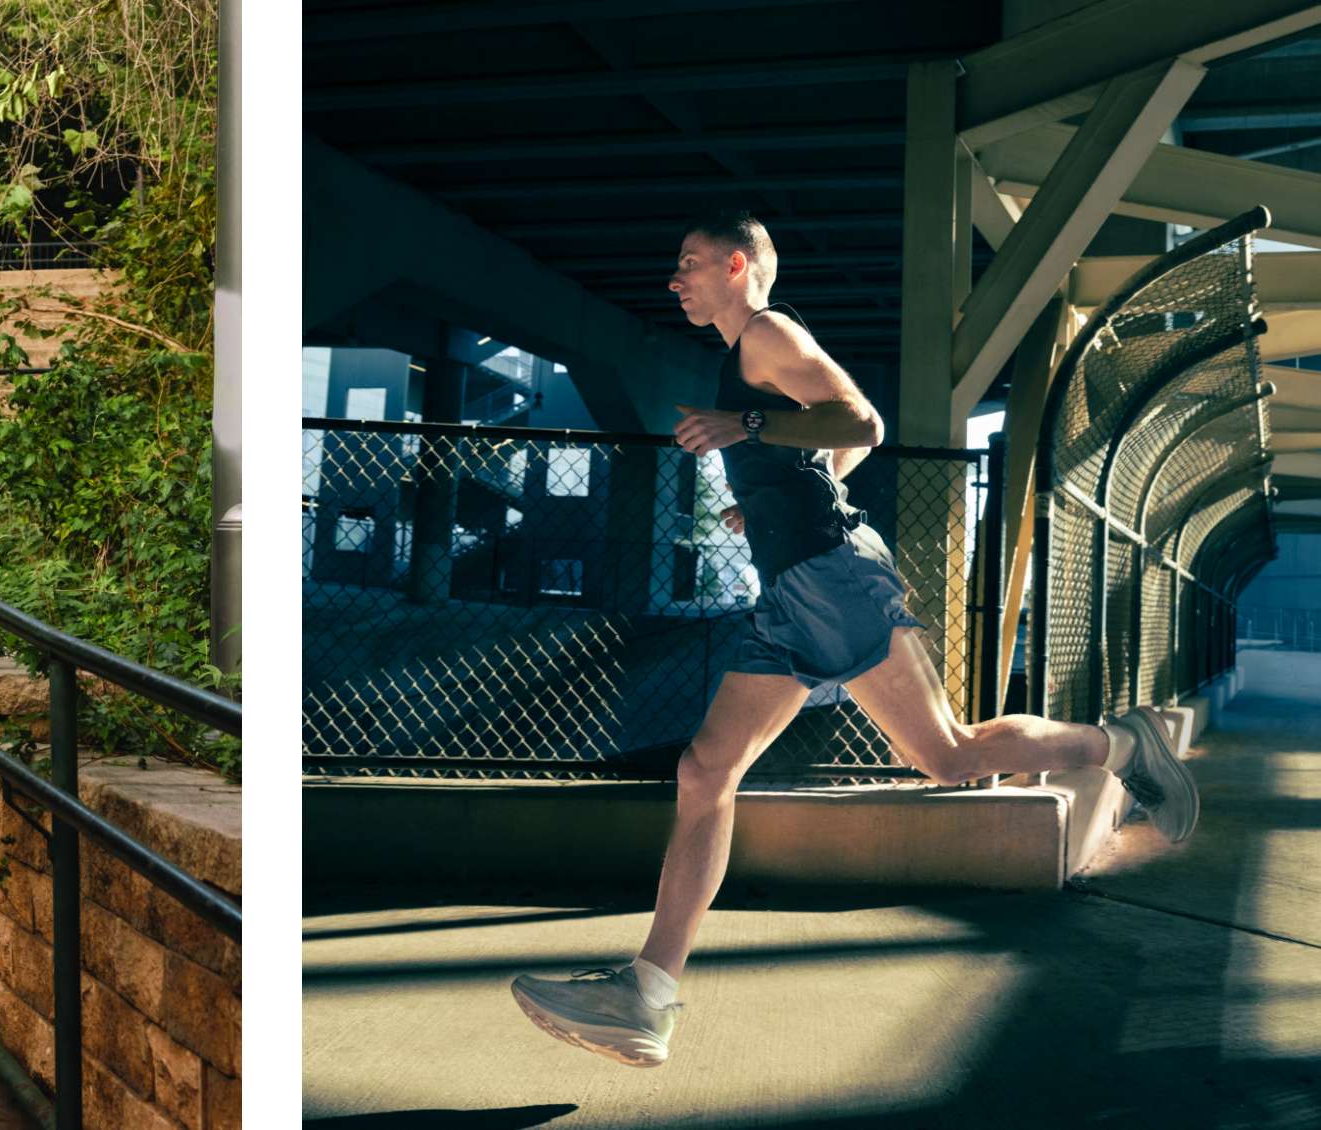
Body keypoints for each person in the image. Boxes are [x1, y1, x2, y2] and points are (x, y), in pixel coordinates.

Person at [508, 212, 1199, 1068]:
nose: (675, 279)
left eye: (688, 263)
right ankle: (647, 995)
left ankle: (1122, 743)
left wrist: (750, 434)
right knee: (705, 769)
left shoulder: (766, 333)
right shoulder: (747, 356)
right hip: (791, 591)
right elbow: (823, 447)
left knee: (945, 755)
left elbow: (860, 422)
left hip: (830, 579)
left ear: (736, 264)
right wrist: (767, 494)